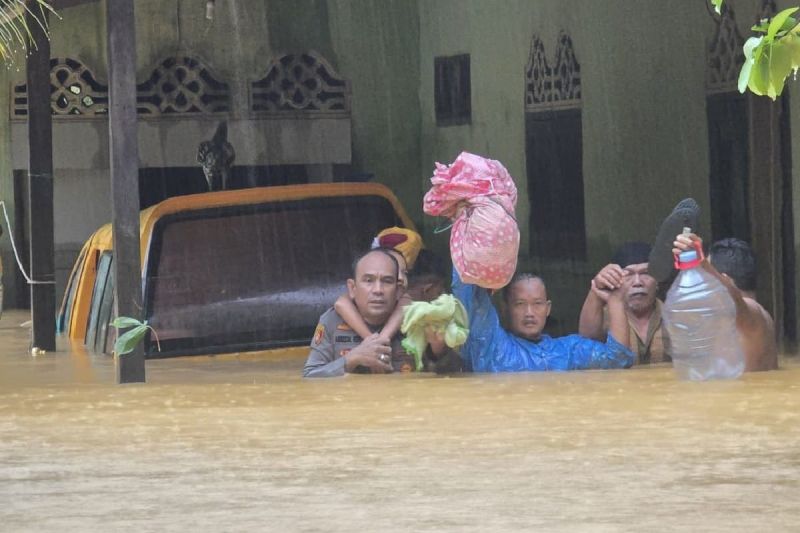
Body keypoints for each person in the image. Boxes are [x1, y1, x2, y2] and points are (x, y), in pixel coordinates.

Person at [303, 249, 460, 377]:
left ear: (399, 290)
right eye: (368, 280)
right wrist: (351, 359)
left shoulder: (416, 319)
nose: (378, 290)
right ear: (352, 288)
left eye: (387, 281)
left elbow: (457, 376)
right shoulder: (332, 321)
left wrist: (439, 352)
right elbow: (310, 376)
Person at [452, 266, 634, 372]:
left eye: (537, 303)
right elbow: (469, 292)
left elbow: (618, 359)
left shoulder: (567, 351)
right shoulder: (492, 345)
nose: (529, 312)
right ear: (505, 309)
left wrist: (615, 299)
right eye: (520, 304)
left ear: (548, 309)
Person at [672, 233, 778, 372]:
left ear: (724, 280)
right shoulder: (750, 319)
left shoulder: (752, 312)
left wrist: (701, 263)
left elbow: (736, 303)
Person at [578, 242, 670, 365]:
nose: (637, 282)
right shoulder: (605, 316)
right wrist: (596, 291)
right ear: (615, 279)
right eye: (628, 274)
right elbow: (585, 342)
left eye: (645, 273)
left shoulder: (674, 314)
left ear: (657, 281)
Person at [333, 227, 422, 345]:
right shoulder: (333, 319)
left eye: (404, 272)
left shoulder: (412, 310)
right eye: (395, 271)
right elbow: (341, 303)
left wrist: (377, 341)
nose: (400, 278)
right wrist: (373, 341)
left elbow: (404, 305)